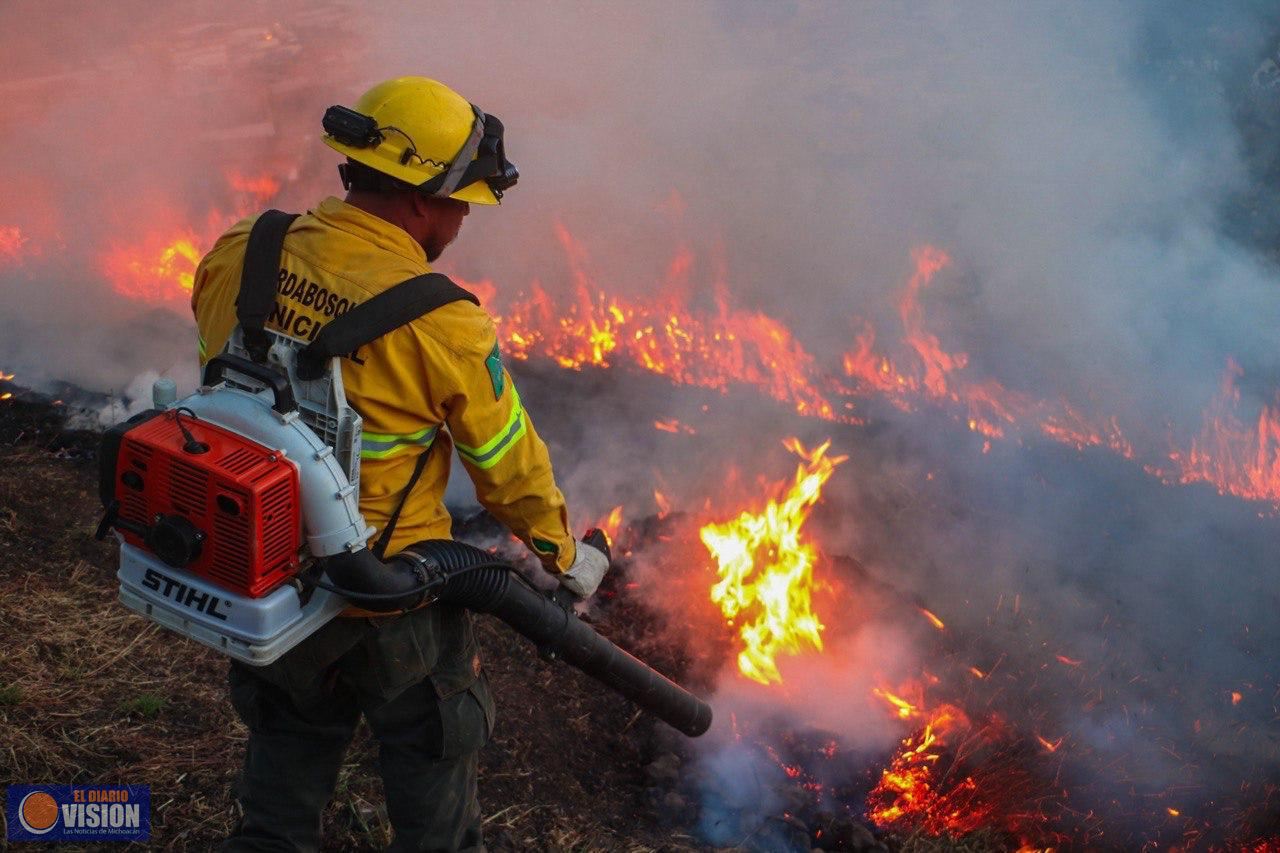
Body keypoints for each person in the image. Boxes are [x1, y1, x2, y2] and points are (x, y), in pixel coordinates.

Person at [189, 76, 610, 852]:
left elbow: (222, 378)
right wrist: (565, 555)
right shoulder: (441, 318)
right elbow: (507, 465)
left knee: (284, 757)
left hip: (271, 576)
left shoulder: (242, 251)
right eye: (463, 203)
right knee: (432, 763)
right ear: (423, 199)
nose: (463, 220)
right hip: (396, 598)